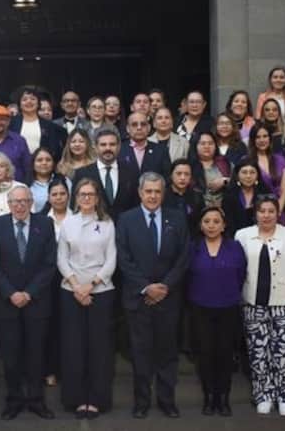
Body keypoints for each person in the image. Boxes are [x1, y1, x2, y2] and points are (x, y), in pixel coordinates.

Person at [116, 172, 190, 419]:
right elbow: (123, 258)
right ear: (140, 193)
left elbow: (183, 257)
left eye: (157, 191)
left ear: (163, 193)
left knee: (167, 353)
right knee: (140, 353)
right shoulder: (126, 220)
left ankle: (167, 400)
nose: (153, 196)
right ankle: (142, 402)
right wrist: (146, 288)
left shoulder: (177, 218)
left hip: (169, 298)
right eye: (148, 191)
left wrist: (164, 287)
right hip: (139, 299)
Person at [234, 195, 285, 416]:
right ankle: (263, 395)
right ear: (255, 213)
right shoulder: (242, 235)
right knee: (258, 353)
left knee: (284, 352)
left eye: (271, 211)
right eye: (262, 211)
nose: (266, 215)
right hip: (253, 304)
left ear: (278, 213)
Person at [0, 185, 57, 421]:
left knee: (36, 354)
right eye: (15, 202)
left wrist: (28, 293)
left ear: (31, 203)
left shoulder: (45, 224)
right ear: (8, 204)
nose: (19, 205)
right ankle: (14, 400)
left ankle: (37, 400)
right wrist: (11, 293)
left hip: (36, 302)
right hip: (7, 303)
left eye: (24, 201)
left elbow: (49, 264)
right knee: (11, 355)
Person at [57, 178, 117, 419]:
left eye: (91, 194)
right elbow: (61, 258)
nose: (86, 198)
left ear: (97, 198)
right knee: (73, 347)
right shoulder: (68, 223)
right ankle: (76, 398)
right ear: (76, 197)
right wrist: (76, 287)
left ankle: (96, 399)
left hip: (100, 292)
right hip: (70, 292)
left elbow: (111, 259)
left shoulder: (107, 223)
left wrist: (90, 286)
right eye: (82, 194)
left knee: (99, 348)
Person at [187, 207, 246, 416]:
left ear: (224, 225)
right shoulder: (193, 247)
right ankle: (209, 397)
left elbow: (241, 275)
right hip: (200, 308)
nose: (211, 225)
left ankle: (223, 398)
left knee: (225, 355)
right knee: (205, 354)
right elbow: (187, 277)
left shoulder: (235, 247)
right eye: (207, 221)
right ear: (200, 225)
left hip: (228, 308)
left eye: (216, 221)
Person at [40, 178, 72, 387]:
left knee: (69, 326)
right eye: (54, 194)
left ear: (68, 196)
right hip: (48, 281)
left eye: (62, 194)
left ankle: (69, 370)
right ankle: (50, 369)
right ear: (48, 197)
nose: (58, 198)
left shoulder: (77, 218)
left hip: (72, 279)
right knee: (50, 326)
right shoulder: (41, 220)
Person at [71, 129, 139, 220]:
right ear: (95, 147)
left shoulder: (131, 172)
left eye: (112, 144)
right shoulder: (82, 174)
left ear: (119, 147)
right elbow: (75, 206)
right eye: (103, 145)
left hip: (125, 226)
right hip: (92, 226)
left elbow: (136, 205)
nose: (108, 148)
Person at [9, 88, 64, 160]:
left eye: (33, 99)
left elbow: (54, 148)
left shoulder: (49, 125)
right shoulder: (11, 123)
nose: (29, 101)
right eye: (24, 99)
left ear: (38, 104)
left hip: (42, 163)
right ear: (20, 104)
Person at [248, 124, 285, 218]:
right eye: (258, 137)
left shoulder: (280, 159)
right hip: (257, 211)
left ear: (270, 138)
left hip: (278, 210)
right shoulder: (247, 160)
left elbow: (284, 190)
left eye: (265, 136)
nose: (262, 140)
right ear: (253, 140)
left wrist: (277, 211)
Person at [222, 159, 270, 236]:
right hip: (235, 237)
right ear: (237, 175)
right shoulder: (229, 195)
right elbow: (228, 223)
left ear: (257, 175)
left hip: (262, 236)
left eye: (252, 172)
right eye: (244, 172)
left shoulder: (265, 193)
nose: (248, 176)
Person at [118, 112, 170, 178]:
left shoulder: (161, 151)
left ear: (149, 128)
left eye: (143, 124)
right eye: (134, 125)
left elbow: (167, 178)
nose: (139, 127)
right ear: (128, 129)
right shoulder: (119, 149)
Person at [163, 158, 205, 234]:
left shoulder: (197, 196)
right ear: (171, 175)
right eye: (178, 174)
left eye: (186, 174)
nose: (182, 178)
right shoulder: (162, 196)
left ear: (191, 177)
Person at [190, 132, 231, 208]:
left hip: (224, 207)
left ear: (215, 146)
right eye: (203, 143)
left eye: (210, 143)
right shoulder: (190, 166)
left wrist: (225, 181)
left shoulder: (224, 162)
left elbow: (238, 180)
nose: (207, 146)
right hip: (198, 208)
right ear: (195, 146)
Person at [27, 147, 62, 212]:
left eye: (48, 160)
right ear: (33, 164)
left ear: (53, 163)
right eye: (39, 160)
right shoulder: (25, 185)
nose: (44, 163)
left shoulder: (64, 181)